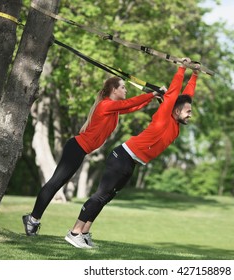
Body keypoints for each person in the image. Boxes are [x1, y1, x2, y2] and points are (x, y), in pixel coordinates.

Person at [64, 58, 200, 248]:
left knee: (107, 198)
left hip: (132, 162)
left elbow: (186, 96)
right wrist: (181, 68)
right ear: (176, 110)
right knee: (101, 195)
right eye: (188, 112)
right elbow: (174, 94)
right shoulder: (164, 115)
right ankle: (74, 232)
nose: (190, 114)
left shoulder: (176, 123)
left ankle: (84, 233)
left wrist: (194, 74)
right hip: (123, 156)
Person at [22, 76, 163, 236]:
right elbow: (128, 104)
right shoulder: (105, 105)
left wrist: (153, 97)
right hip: (75, 148)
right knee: (55, 183)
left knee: (57, 183)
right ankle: (32, 220)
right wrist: (151, 95)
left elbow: (131, 108)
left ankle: (32, 220)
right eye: (123, 87)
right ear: (114, 89)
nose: (126, 90)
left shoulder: (113, 109)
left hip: (79, 150)